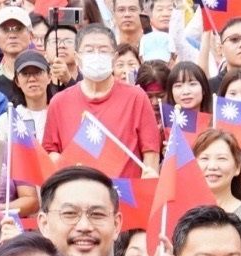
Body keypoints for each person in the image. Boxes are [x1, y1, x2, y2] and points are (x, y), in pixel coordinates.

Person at [40, 25, 160, 172]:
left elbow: (151, 154)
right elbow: (50, 152)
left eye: (103, 50)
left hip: (125, 192)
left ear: (114, 58)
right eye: (89, 50)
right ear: (77, 58)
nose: (96, 55)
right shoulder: (59, 102)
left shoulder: (136, 97)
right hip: (78, 191)